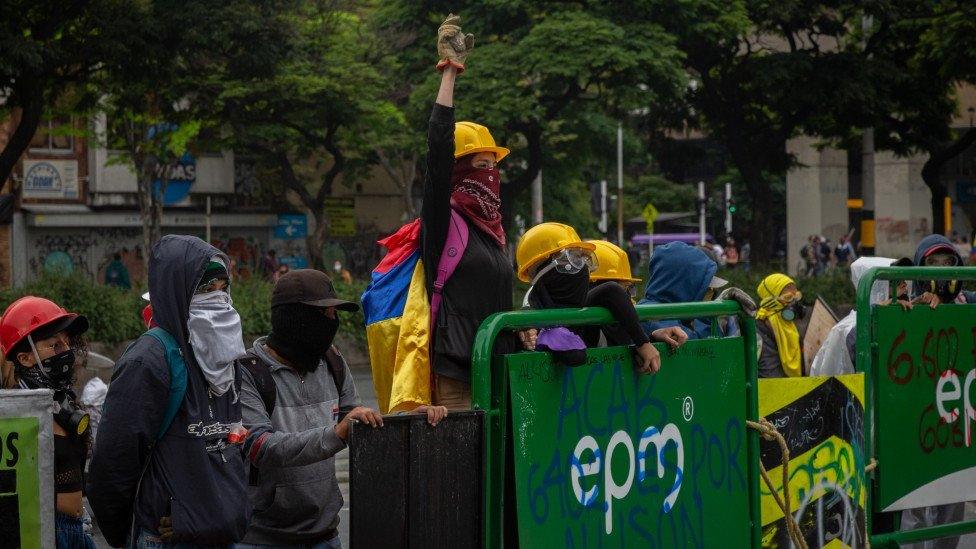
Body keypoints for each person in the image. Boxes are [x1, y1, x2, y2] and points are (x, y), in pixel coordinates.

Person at [238, 269, 441, 547]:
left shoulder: (332, 361)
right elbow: (259, 447)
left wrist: (407, 422)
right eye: (325, 315)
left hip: (324, 534)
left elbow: (357, 426)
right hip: (263, 538)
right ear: (295, 318)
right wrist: (336, 434)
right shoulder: (250, 372)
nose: (333, 323)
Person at [88, 235, 250, 547]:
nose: (218, 299)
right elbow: (113, 464)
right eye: (205, 289)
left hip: (222, 533)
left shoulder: (226, 353)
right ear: (177, 292)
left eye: (222, 288)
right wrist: (134, 528)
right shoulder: (149, 360)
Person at [421, 14, 515, 409]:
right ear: (458, 173)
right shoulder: (444, 221)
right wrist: (450, 74)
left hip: (499, 371)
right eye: (479, 167)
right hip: (456, 373)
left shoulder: (494, 232)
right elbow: (439, 152)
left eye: (493, 167)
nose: (490, 176)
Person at [0, 296, 95, 548]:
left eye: (66, 343)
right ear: (24, 359)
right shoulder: (14, 418)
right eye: (54, 346)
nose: (66, 352)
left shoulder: (63, 402)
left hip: (79, 530)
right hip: (45, 532)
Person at [516, 223, 661, 373]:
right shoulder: (526, 324)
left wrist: (646, 341)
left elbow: (612, 292)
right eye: (573, 259)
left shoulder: (584, 310)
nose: (583, 270)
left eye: (583, 259)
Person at [810, 257, 912, 376]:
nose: (904, 285)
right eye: (896, 281)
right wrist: (878, 310)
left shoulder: (905, 311)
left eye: (904, 278)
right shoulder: (848, 327)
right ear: (876, 286)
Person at [638, 241, 755, 340]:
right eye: (707, 288)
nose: (712, 292)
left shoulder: (675, 312)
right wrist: (709, 312)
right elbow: (703, 350)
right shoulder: (652, 317)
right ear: (684, 285)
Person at [586, 239, 688, 350]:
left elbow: (621, 349)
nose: (628, 299)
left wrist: (653, 338)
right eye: (624, 290)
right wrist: (644, 343)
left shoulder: (611, 326)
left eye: (629, 289)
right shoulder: (585, 328)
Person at [755, 273, 804, 378]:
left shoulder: (788, 326)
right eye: (788, 297)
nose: (793, 304)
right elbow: (769, 374)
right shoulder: (758, 331)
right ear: (771, 297)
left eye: (796, 296)